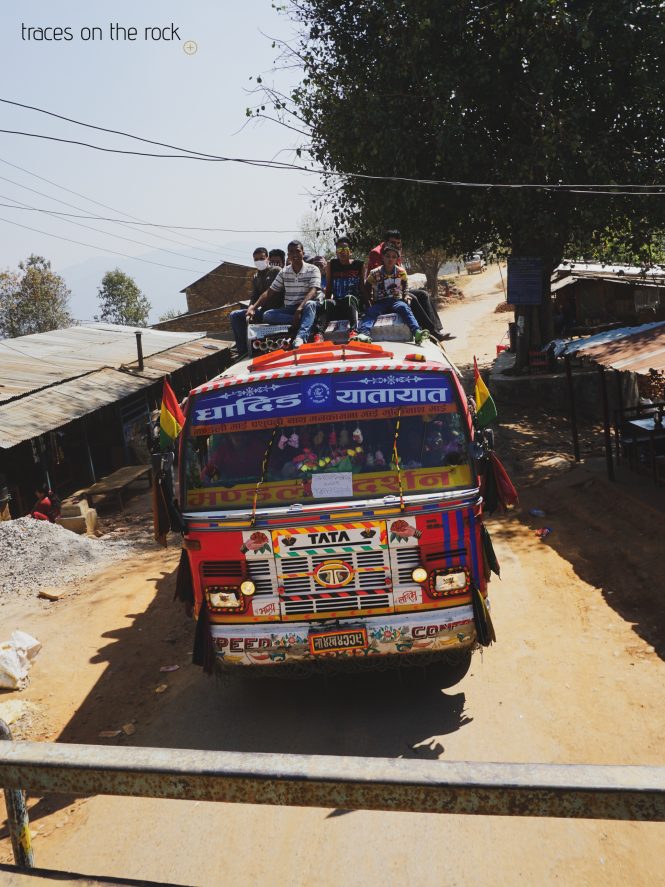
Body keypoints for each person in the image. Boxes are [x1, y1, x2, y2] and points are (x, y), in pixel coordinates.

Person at [367, 229, 446, 339]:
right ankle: (430, 331)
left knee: (423, 294)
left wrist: (404, 290)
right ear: (386, 242)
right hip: (384, 293)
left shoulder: (396, 251)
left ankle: (436, 328)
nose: (396, 245)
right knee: (412, 297)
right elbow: (380, 274)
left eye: (398, 243)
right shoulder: (377, 253)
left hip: (396, 289)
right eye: (393, 243)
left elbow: (399, 275)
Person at [250, 240, 321, 348]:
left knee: (311, 304)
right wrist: (253, 308)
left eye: (297, 251)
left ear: (303, 252)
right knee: (267, 315)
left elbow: (313, 290)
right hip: (290, 310)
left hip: (307, 307)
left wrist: (300, 308)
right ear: (288, 255)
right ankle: (306, 320)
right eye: (291, 252)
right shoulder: (284, 272)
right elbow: (269, 292)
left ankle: (300, 337)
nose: (295, 255)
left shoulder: (313, 269)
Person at [355, 243, 429, 345]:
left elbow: (405, 285)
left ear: (397, 259)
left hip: (396, 301)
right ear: (383, 257)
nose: (390, 259)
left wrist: (406, 295)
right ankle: (364, 334)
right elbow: (366, 288)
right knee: (371, 312)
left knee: (404, 308)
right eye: (388, 256)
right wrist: (368, 303)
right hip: (380, 302)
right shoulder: (374, 272)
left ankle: (416, 331)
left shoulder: (401, 272)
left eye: (394, 257)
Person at [230, 247, 282, 357]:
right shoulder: (256, 276)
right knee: (234, 315)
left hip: (278, 311)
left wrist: (254, 308)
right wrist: (250, 309)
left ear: (267, 258)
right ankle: (243, 350)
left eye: (261, 258)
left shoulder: (276, 271)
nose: (259, 261)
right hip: (263, 312)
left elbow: (269, 292)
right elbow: (254, 296)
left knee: (267, 314)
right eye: (256, 259)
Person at [318, 237, 366, 340]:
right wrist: (326, 302)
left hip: (352, 303)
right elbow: (329, 286)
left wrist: (368, 304)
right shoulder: (332, 264)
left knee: (349, 298)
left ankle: (353, 331)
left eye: (345, 249)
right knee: (327, 302)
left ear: (350, 251)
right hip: (337, 303)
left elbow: (362, 287)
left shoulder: (359, 265)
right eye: (339, 250)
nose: (342, 252)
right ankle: (319, 334)